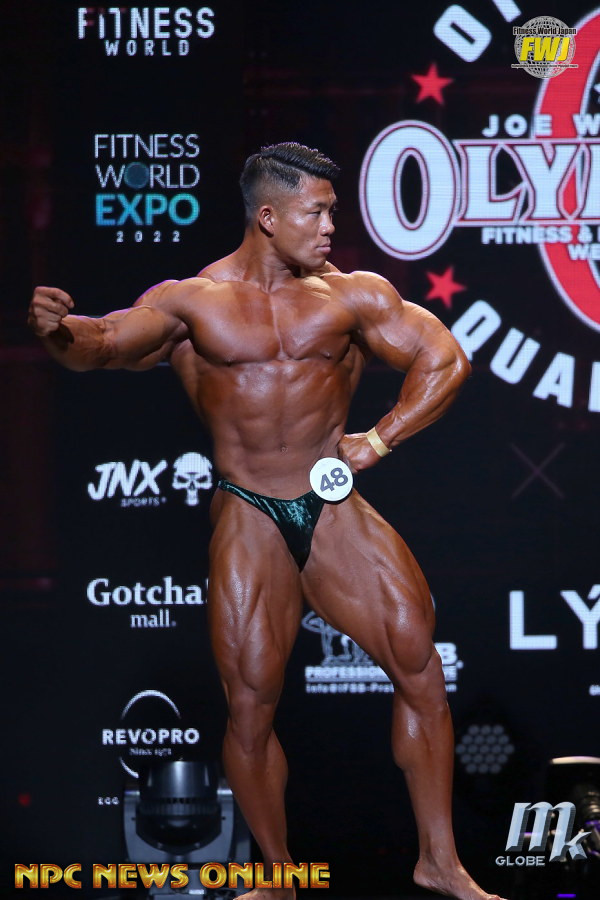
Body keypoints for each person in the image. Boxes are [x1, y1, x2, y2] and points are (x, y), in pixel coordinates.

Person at [28, 142, 506, 900]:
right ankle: (279, 876)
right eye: (317, 213)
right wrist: (58, 331)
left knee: (419, 662)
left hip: (332, 502)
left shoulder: (353, 296)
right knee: (250, 704)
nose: (331, 228)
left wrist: (378, 439)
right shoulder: (192, 302)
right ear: (269, 217)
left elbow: (446, 360)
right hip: (249, 508)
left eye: (333, 212)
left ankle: (439, 863)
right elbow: (106, 343)